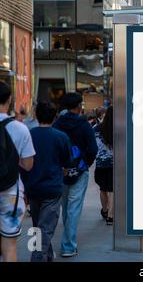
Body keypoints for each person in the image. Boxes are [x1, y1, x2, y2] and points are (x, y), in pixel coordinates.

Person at [21, 102, 72, 262]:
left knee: (38, 227)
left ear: (36, 115)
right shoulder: (61, 136)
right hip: (52, 188)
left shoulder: (29, 134)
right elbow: (67, 161)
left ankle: (47, 257)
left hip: (33, 187)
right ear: (54, 116)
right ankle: (37, 258)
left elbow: (23, 161)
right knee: (45, 228)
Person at [53, 93, 98, 258]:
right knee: (74, 208)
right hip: (79, 171)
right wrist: (85, 164)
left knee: (65, 207)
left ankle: (68, 241)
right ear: (79, 106)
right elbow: (93, 149)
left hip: (61, 171)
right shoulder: (84, 125)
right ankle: (68, 245)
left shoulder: (57, 125)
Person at [0, 81, 35, 262]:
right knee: (10, 245)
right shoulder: (20, 128)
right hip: (10, 193)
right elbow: (29, 165)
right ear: (9, 99)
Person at [94, 106, 114, 225]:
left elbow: (93, 145)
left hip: (100, 163)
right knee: (112, 189)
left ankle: (105, 211)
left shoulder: (96, 128)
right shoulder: (119, 128)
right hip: (114, 164)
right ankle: (111, 216)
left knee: (103, 188)